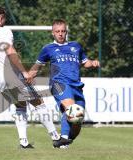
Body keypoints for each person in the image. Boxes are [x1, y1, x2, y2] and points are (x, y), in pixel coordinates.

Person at [0, 6, 60, 149]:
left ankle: (23, 141)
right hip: (11, 76)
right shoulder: (4, 31)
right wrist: (24, 72)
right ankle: (56, 138)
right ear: (1, 17)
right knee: (38, 102)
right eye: (5, 18)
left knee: (20, 106)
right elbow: (10, 51)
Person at [29, 19, 100, 148]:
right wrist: (28, 76)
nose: (60, 34)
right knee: (71, 109)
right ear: (53, 33)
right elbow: (37, 66)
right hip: (58, 83)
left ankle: (65, 140)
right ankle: (63, 138)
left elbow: (85, 62)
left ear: (66, 32)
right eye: (57, 31)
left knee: (77, 121)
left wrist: (93, 63)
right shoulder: (48, 48)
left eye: (63, 31)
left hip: (76, 86)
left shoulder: (76, 46)